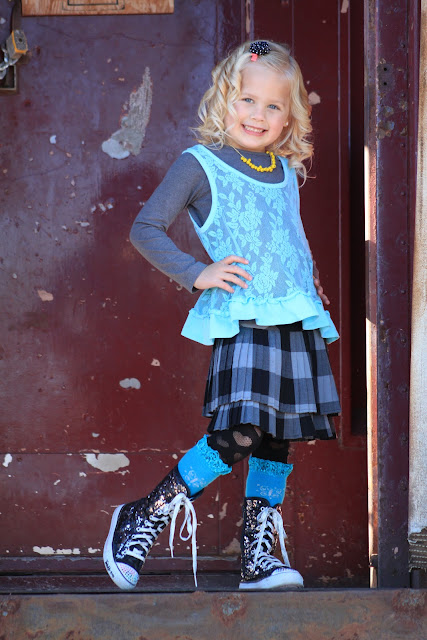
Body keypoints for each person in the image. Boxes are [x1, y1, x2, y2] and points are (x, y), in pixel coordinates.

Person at [103, 40, 341, 592]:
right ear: (223, 100)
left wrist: (309, 282)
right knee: (242, 432)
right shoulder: (200, 164)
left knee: (277, 437)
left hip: (293, 319)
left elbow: (288, 238)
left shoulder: (284, 171)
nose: (258, 114)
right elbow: (145, 229)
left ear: (290, 116)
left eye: (273, 105)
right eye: (246, 100)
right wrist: (197, 272)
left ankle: (257, 557)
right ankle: (145, 513)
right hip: (246, 320)